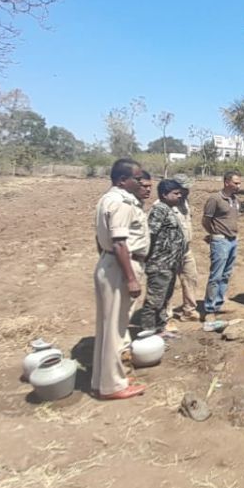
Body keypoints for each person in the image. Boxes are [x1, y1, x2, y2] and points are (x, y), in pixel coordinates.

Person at [92, 158, 149, 401]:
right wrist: (130, 278)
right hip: (121, 266)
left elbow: (101, 239)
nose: (140, 182)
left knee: (108, 328)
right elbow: (120, 243)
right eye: (137, 179)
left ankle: (103, 380)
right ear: (122, 180)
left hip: (111, 263)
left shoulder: (108, 199)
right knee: (116, 329)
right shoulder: (122, 203)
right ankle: (113, 386)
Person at [139, 179, 188, 333]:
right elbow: (151, 235)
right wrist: (149, 258)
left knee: (164, 299)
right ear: (164, 195)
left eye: (180, 193)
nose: (179, 196)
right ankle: (147, 333)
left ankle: (160, 329)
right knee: (154, 301)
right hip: (160, 264)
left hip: (171, 264)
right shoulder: (159, 209)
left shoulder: (169, 209)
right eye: (176, 193)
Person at [202, 170, 242, 317]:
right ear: (226, 182)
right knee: (216, 275)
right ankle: (209, 309)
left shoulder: (235, 200)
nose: (239, 186)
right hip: (220, 241)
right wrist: (213, 234)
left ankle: (219, 303)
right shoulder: (215, 199)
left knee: (226, 275)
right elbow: (206, 220)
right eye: (236, 183)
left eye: (239, 183)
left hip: (233, 241)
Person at [168, 174, 201, 322]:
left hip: (186, 249)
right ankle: (166, 316)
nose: (188, 191)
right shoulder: (163, 205)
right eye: (184, 188)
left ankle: (189, 310)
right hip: (170, 251)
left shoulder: (185, 203)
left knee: (190, 278)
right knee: (168, 282)